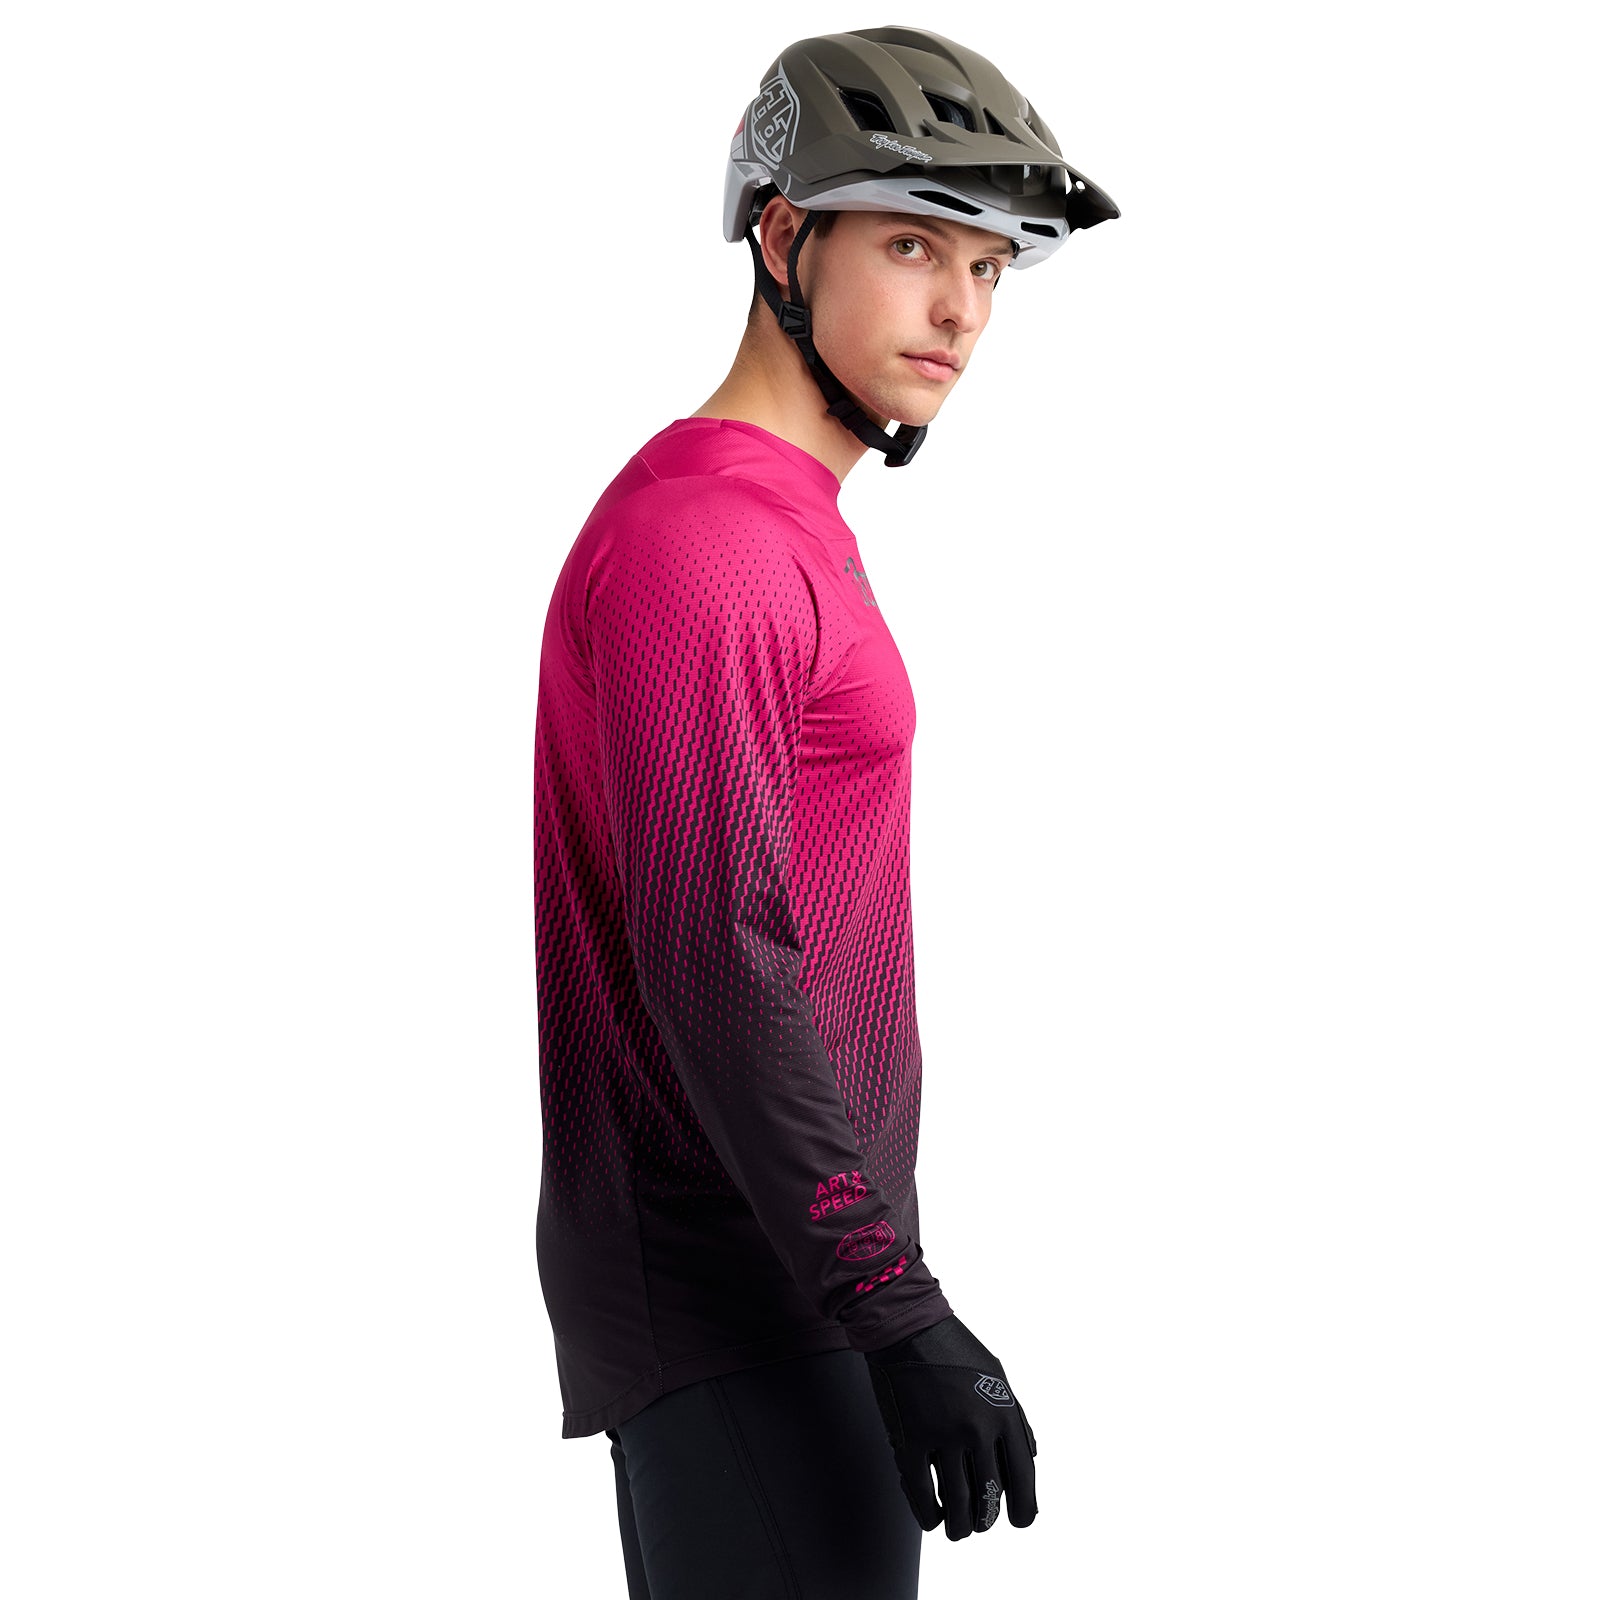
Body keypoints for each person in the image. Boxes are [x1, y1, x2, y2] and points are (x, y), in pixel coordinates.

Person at [531, 26, 1118, 1597]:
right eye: (915, 245)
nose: (961, 310)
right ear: (786, 237)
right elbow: (717, 959)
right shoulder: (706, 543)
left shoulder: (783, 522)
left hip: (806, 1288)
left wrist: (878, 1294)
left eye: (988, 266)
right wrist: (897, 1306)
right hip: (748, 1294)